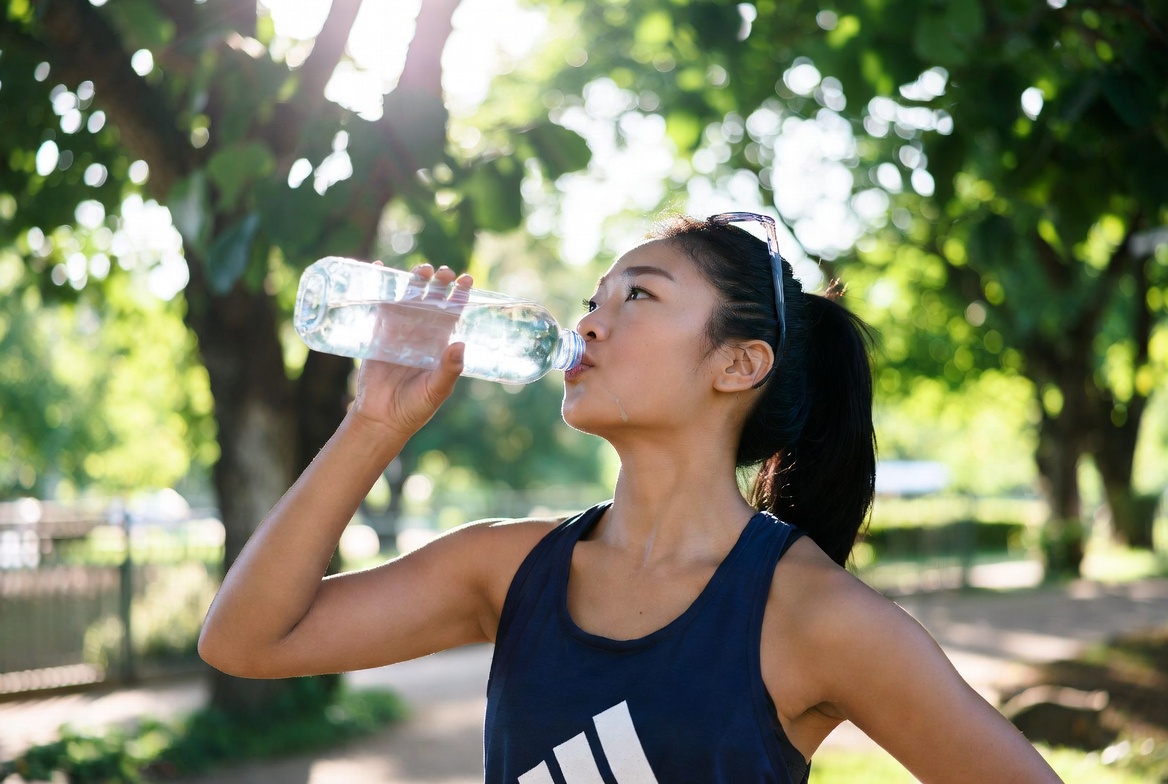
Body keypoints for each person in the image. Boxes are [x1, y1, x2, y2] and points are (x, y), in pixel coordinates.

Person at [198, 213, 1063, 783]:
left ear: (739, 364)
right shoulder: (508, 569)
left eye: (639, 295)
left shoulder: (816, 617)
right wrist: (375, 423)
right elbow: (244, 641)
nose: (587, 324)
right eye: (593, 301)